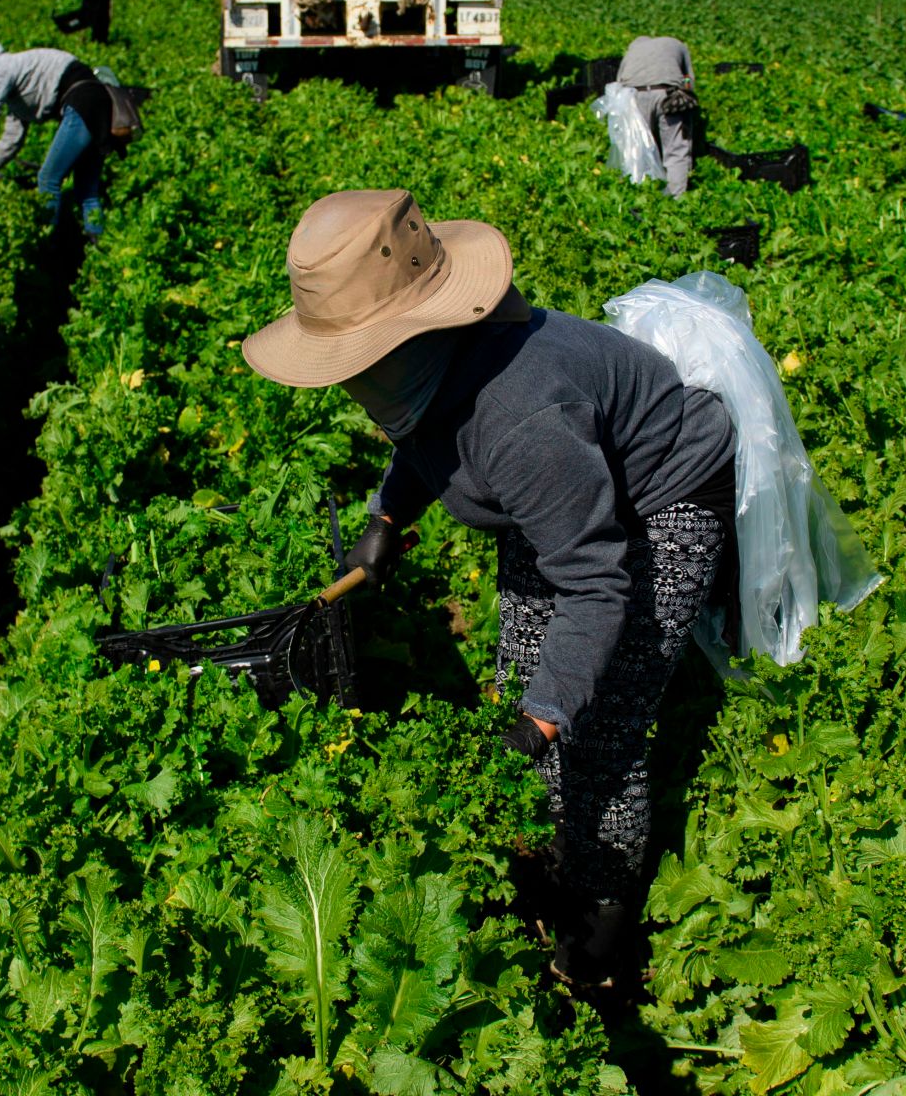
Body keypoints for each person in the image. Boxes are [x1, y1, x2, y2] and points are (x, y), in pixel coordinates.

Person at [243, 189, 740, 990]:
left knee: (598, 725)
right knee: (527, 675)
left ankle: (604, 916)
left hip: (661, 501)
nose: (350, 381)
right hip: (565, 494)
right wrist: (389, 513)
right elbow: (431, 434)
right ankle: (548, 840)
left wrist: (542, 724)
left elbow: (596, 583)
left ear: (416, 334)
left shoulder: (517, 421)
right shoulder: (442, 370)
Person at [0, 37, 112, 233]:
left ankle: (50, 244)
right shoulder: (14, 90)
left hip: (82, 100)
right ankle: (97, 246)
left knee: (47, 179)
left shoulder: (1, 68)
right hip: (96, 101)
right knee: (87, 192)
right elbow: (12, 138)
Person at [616, 35, 703, 196]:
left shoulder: (633, 49)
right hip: (667, 94)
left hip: (633, 95)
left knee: (637, 148)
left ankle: (639, 194)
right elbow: (688, 81)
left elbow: (619, 81)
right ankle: (676, 198)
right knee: (675, 149)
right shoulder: (678, 45)